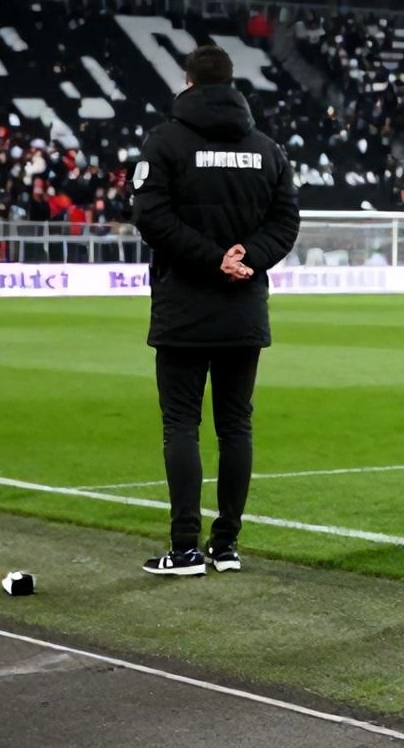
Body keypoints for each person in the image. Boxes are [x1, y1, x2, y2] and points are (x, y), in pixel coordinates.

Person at [131, 46, 300, 577]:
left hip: (184, 303)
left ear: (187, 83)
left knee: (180, 423)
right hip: (243, 308)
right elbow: (286, 222)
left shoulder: (165, 142)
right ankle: (225, 546)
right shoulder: (267, 149)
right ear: (232, 83)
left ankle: (184, 549)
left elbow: (150, 216)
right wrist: (245, 257)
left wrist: (211, 258)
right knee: (236, 426)